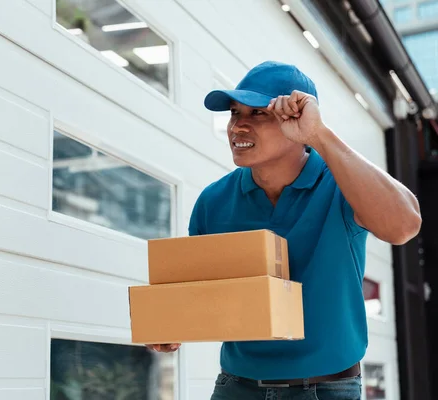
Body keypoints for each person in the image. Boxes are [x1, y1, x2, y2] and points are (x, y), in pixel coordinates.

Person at [146, 61, 422, 399]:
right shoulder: (213, 201)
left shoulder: (342, 185)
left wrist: (319, 135)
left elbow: (404, 227)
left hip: (326, 388)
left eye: (258, 114)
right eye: (235, 113)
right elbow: (200, 292)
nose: (238, 126)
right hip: (236, 387)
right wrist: (171, 322)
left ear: (297, 123)